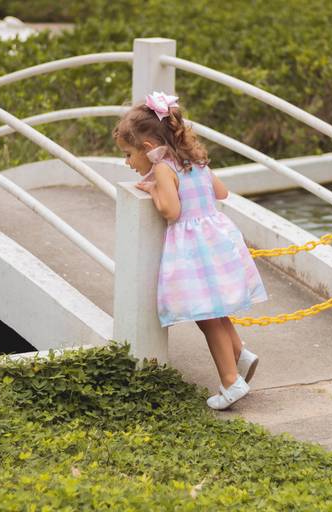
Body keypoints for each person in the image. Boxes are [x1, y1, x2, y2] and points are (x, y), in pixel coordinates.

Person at [113, 91, 268, 410]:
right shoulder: (193, 158)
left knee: (207, 316)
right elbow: (221, 192)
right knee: (213, 309)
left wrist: (156, 189)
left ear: (147, 148)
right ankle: (240, 354)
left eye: (129, 155)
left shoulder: (163, 168)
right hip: (217, 237)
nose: (128, 163)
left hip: (194, 248)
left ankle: (230, 382)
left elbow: (170, 211)